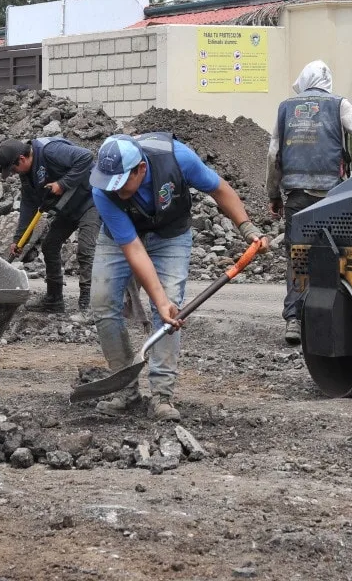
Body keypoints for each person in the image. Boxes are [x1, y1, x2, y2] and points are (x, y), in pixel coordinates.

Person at [87, 132, 260, 421]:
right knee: (103, 302)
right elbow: (134, 249)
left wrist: (247, 228)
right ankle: (124, 389)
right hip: (121, 239)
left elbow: (220, 189)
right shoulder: (102, 188)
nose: (114, 190)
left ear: (140, 168)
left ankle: (162, 395)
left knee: (168, 310)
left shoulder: (178, 158)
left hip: (171, 235)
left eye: (121, 183)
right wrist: (158, 295)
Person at [267, 60, 352, 346]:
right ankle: (335, 321)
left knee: (298, 257)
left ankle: (294, 319)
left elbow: (273, 155)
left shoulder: (285, 108)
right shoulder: (339, 104)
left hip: (297, 197)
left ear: (304, 80)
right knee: (336, 254)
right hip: (332, 197)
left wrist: (273, 194)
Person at [0, 136, 99, 313]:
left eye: (13, 169)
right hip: (67, 208)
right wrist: (19, 239)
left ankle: (88, 304)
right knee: (50, 245)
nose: (14, 173)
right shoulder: (26, 174)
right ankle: (54, 300)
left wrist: (62, 183)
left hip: (90, 200)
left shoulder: (51, 151)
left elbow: (86, 157)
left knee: (85, 248)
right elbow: (28, 205)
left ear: (21, 159)